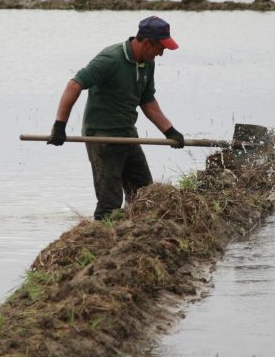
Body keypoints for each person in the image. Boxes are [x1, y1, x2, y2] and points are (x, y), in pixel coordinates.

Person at [47, 15, 185, 220]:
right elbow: (74, 85)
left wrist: (170, 131)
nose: (162, 54)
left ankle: (137, 239)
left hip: (128, 135)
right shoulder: (110, 59)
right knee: (110, 204)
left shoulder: (147, 63)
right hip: (102, 138)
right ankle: (101, 242)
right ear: (147, 43)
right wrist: (59, 126)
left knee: (144, 196)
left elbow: (147, 101)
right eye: (161, 48)